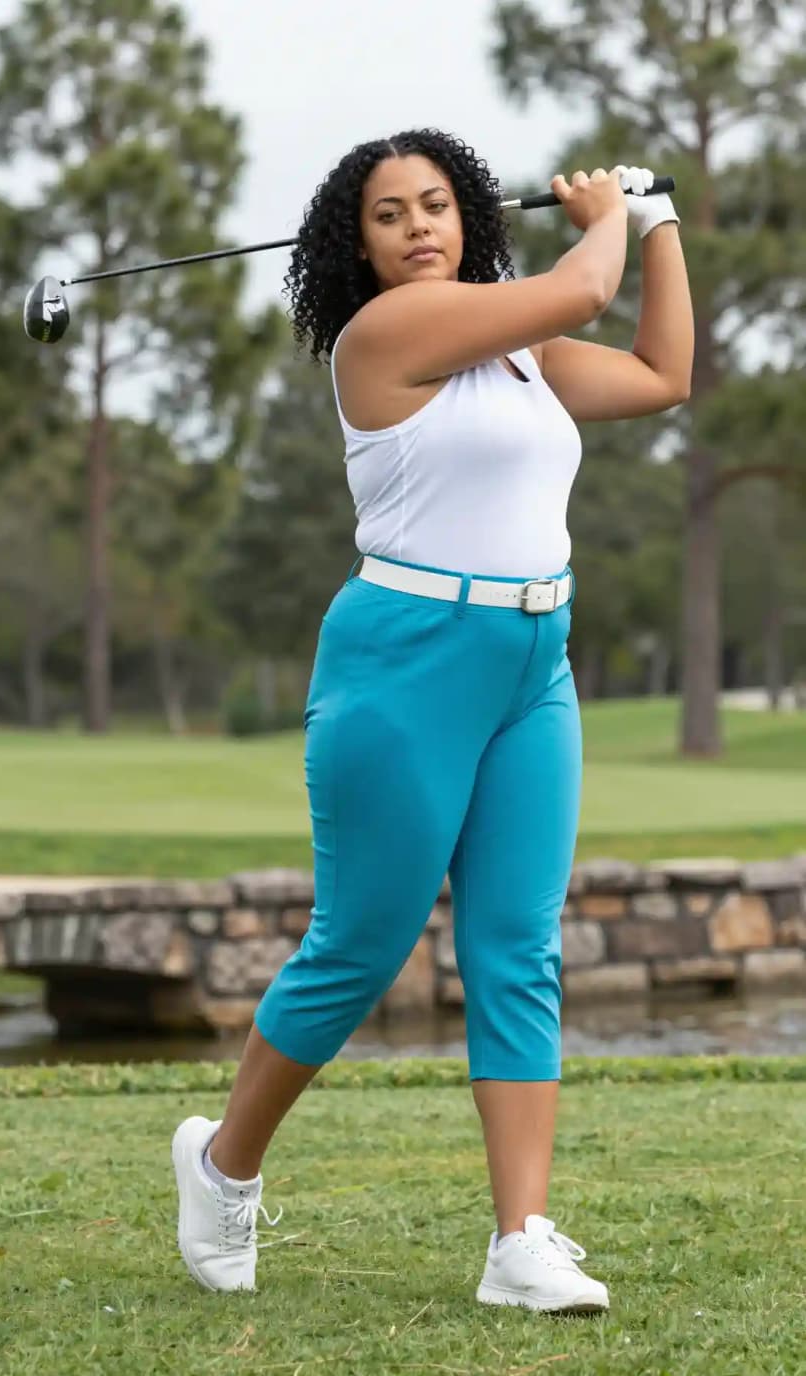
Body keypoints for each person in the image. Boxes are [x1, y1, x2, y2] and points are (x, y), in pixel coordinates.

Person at [172, 128, 691, 1313]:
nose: (419, 228)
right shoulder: (386, 335)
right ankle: (222, 1164)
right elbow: (579, 281)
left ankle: (523, 1242)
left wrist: (657, 228)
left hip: (533, 663)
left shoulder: (525, 355)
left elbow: (664, 374)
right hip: (403, 666)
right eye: (391, 214)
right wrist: (608, 209)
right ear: (358, 246)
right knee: (360, 944)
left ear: (470, 222)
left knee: (519, 942)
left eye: (438, 206)